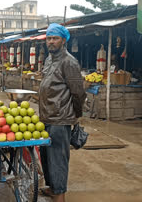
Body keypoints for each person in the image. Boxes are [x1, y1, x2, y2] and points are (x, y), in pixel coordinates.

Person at [39, 23, 86, 202]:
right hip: (45, 116)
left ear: (63, 41)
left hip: (60, 118)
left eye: (55, 38)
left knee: (58, 159)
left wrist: (76, 115)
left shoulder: (69, 62)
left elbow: (78, 92)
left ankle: (60, 196)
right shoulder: (49, 59)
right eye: (49, 38)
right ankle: (53, 188)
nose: (51, 42)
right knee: (46, 156)